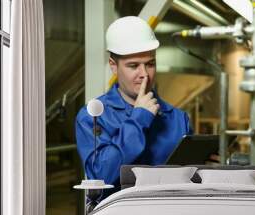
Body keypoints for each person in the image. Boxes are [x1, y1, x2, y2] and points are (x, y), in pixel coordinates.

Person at [76, 16, 193, 198]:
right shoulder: (93, 116)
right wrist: (139, 118)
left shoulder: (178, 119)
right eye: (133, 66)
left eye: (150, 64)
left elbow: (190, 182)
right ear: (114, 67)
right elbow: (101, 176)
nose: (144, 74)